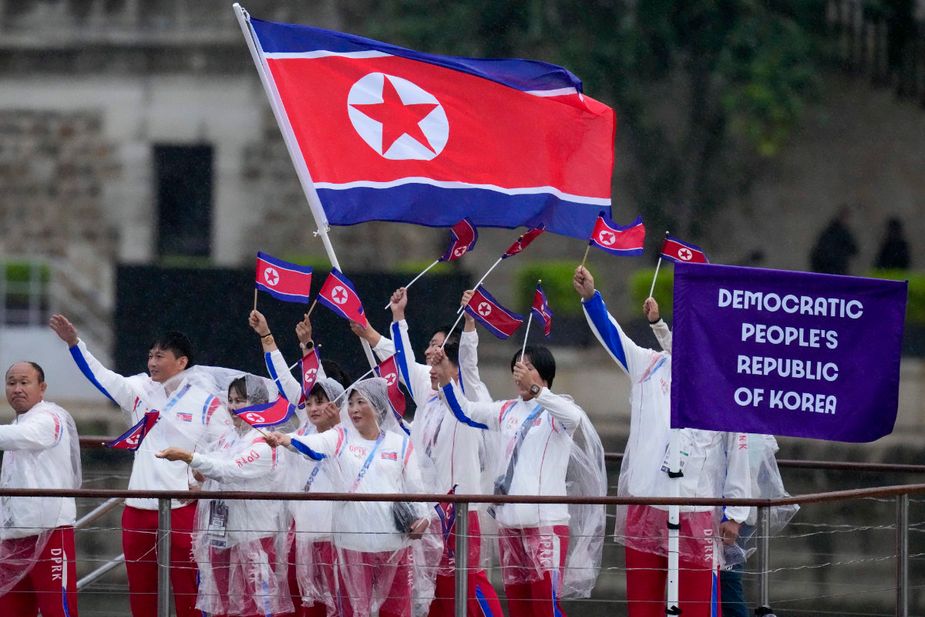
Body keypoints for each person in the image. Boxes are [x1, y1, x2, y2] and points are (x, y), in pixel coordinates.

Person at [573, 265, 750, 617]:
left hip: (696, 509)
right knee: (644, 607)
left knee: (697, 607)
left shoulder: (722, 384)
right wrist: (592, 297)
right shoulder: (648, 365)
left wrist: (736, 512)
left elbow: (739, 447)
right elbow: (613, 336)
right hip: (646, 502)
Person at [50, 314, 233, 617]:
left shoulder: (207, 403)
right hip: (137, 508)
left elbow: (226, 452)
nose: (152, 361)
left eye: (160, 355)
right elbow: (101, 376)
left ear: (182, 361)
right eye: (150, 355)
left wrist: (205, 482)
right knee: (141, 592)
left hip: (183, 510)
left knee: (189, 592)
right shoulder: (138, 389)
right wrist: (74, 343)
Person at [641, 298, 798, 617]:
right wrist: (658, 324)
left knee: (726, 587)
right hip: (708, 502)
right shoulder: (717, 377)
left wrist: (735, 514)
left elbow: (744, 459)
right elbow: (688, 355)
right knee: (716, 587)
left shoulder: (734, 391)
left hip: (725, 507)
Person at [430, 342, 606, 617]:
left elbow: (573, 418)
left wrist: (537, 392)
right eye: (517, 367)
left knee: (545, 607)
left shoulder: (557, 410)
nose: (520, 373)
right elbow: (465, 411)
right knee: (518, 606)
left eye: (529, 367)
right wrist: (444, 376)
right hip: (510, 526)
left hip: (545, 525)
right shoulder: (506, 411)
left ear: (544, 374)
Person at [368, 287, 503, 617]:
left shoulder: (470, 397)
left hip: (461, 509)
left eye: (439, 353)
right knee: (432, 592)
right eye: (430, 351)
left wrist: (470, 323)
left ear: (454, 363)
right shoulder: (428, 397)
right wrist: (398, 318)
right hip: (427, 511)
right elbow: (400, 358)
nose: (431, 357)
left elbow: (469, 366)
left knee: (465, 587)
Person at [267, 378, 433, 617]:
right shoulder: (340, 437)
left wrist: (423, 519)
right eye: (351, 403)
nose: (353, 409)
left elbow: (417, 491)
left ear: (377, 406)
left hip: (394, 544)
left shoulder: (400, 443)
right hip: (352, 545)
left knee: (396, 612)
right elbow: (313, 444)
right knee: (354, 612)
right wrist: (287, 440)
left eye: (360, 402)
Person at [158, 375, 292, 617]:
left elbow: (228, 471)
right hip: (221, 535)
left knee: (257, 607)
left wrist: (189, 457)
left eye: (239, 400)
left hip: (255, 537)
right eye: (230, 400)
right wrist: (199, 481)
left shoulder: (265, 443)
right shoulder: (227, 438)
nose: (232, 407)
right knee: (223, 606)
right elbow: (213, 471)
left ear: (258, 404)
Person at [250, 309, 347, 617]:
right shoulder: (306, 416)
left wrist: (308, 347)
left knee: (332, 606)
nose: (314, 406)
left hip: (334, 534)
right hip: (299, 532)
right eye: (311, 401)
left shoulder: (346, 433)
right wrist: (267, 335)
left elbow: (317, 381)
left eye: (322, 401)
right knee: (297, 602)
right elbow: (286, 377)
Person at [0, 361, 81, 617]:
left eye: (24, 382)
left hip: (51, 532)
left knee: (58, 611)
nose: (17, 389)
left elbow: (28, 436)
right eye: (11, 383)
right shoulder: (17, 423)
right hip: (13, 536)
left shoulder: (51, 417)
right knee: (9, 611)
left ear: (42, 387)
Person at [809, 206, 858, 275]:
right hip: (833, 270)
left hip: (833, 270)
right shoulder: (835, 233)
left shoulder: (836, 232)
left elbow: (854, 250)